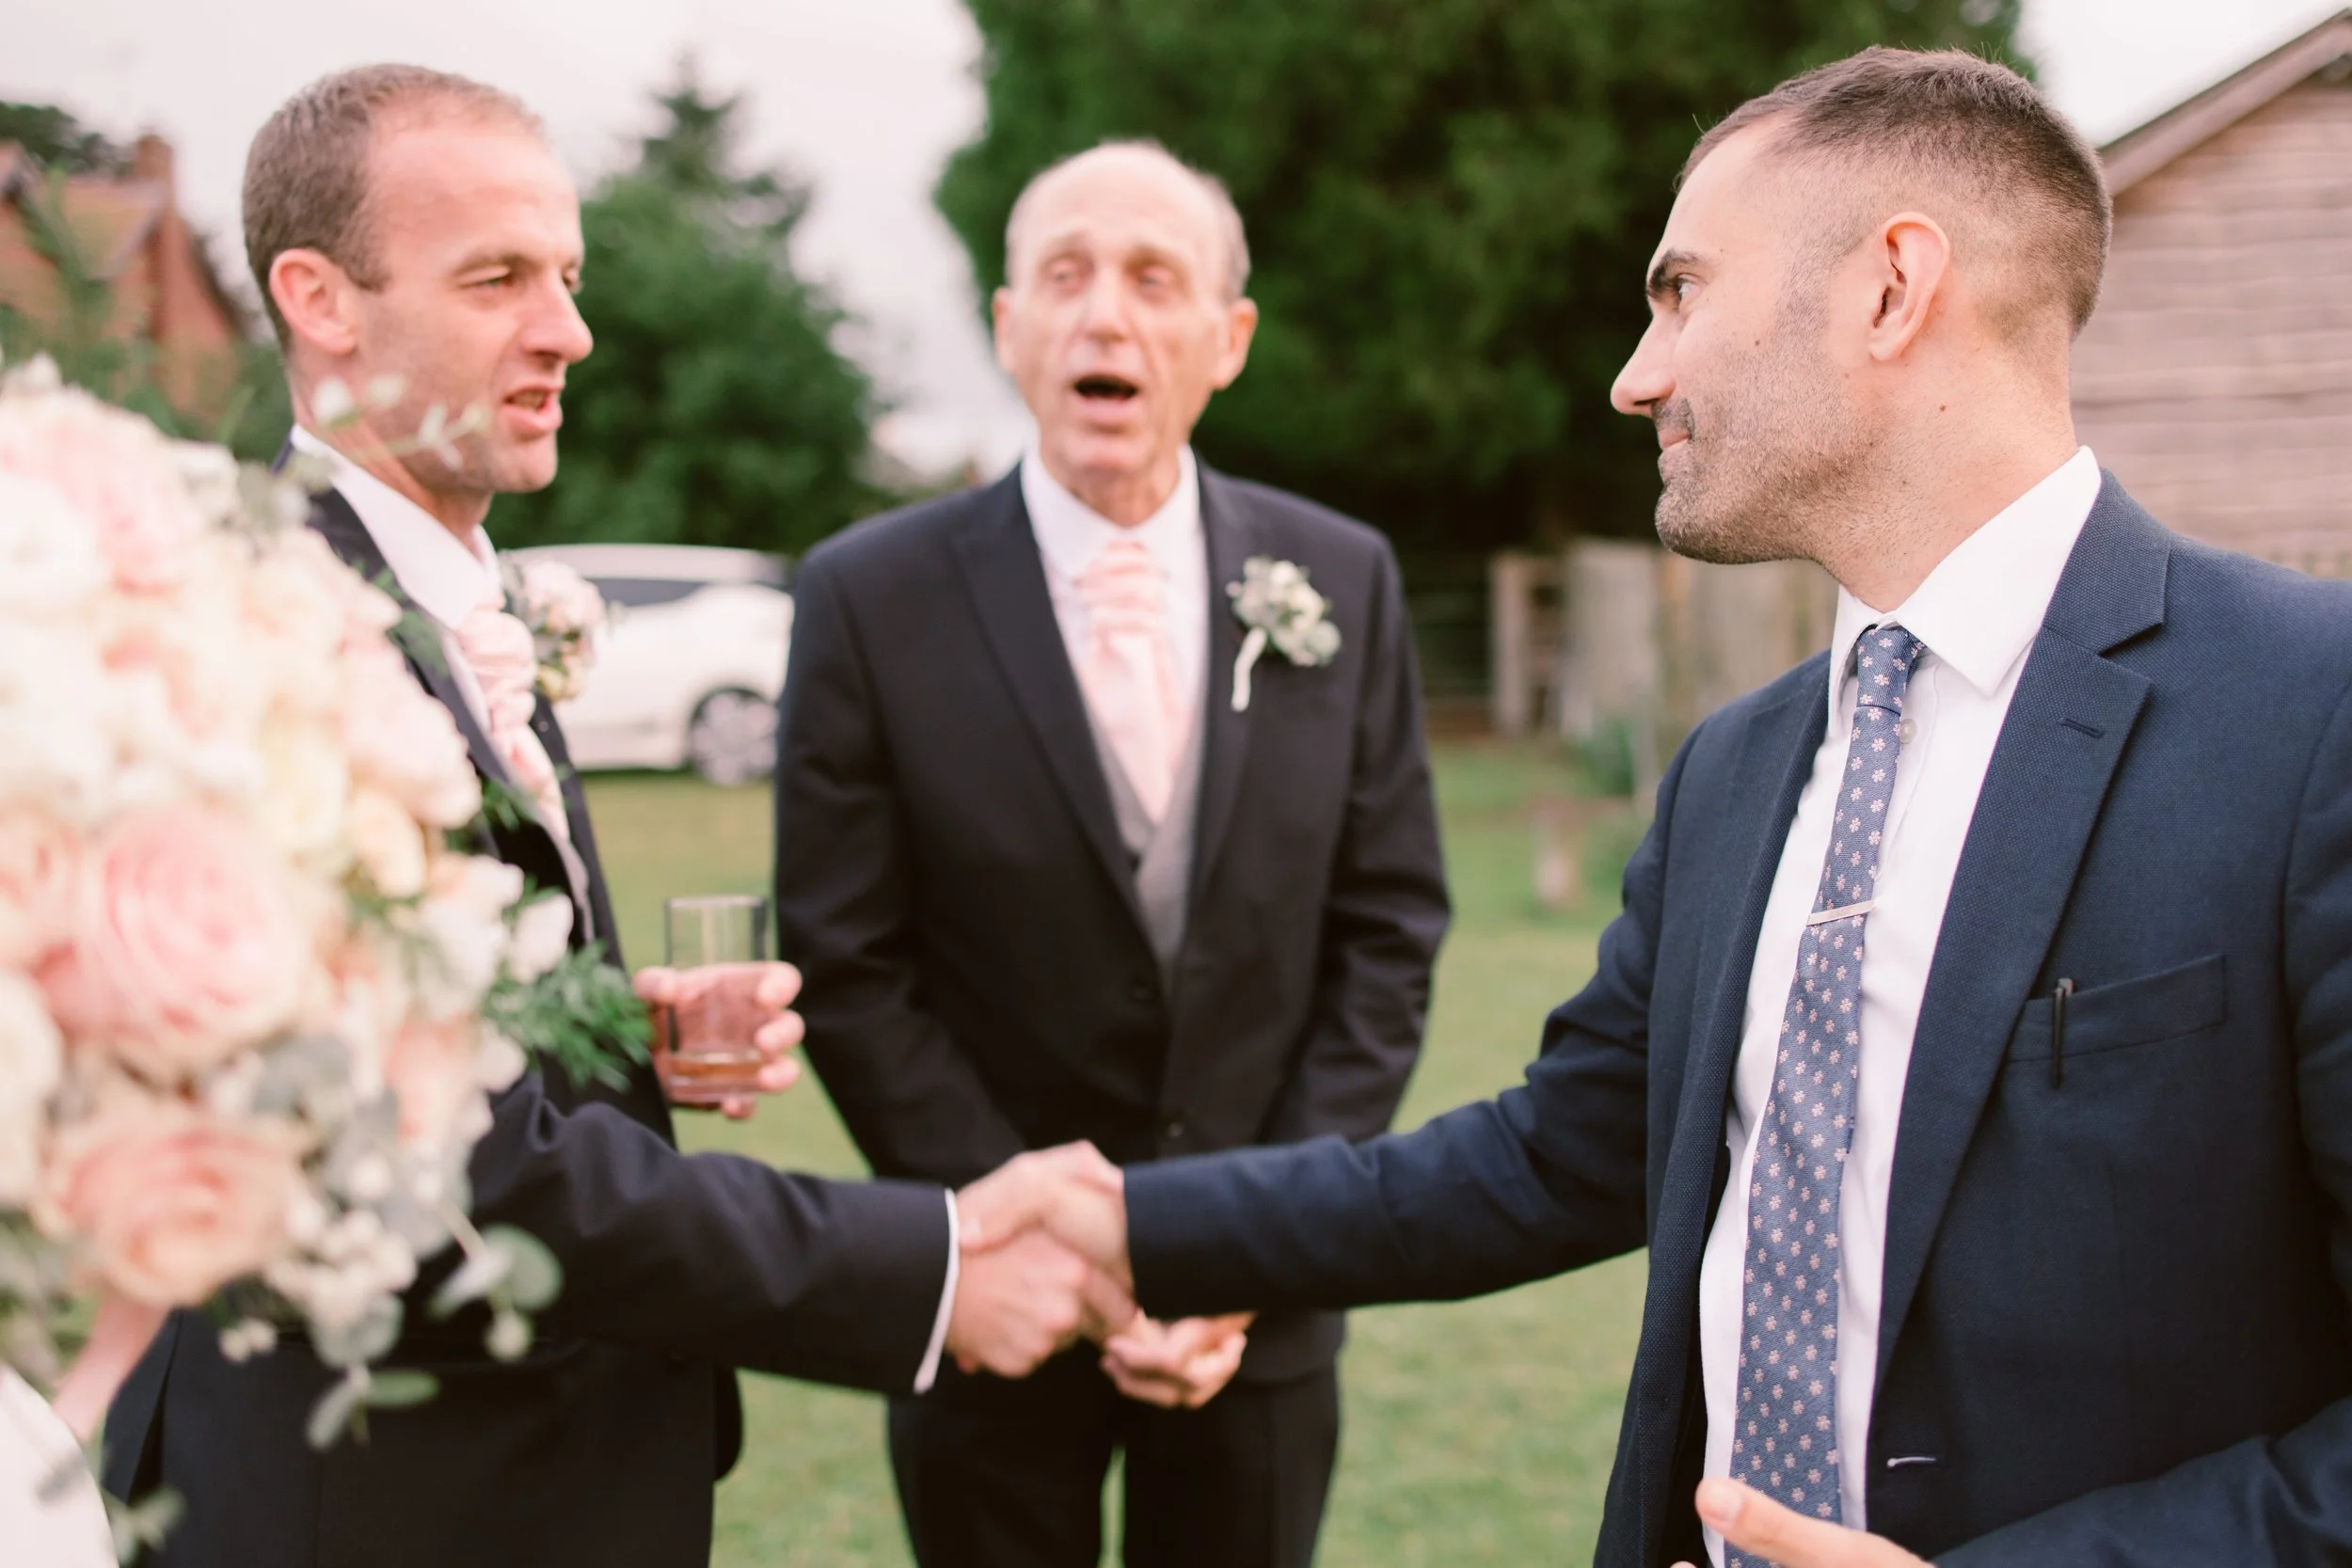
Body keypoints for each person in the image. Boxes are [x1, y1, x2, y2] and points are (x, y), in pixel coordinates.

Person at [961, 46, 2352, 1568]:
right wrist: (1133, 1216)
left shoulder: (2307, 712)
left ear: (1891, 289)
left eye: (1681, 289)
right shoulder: (1737, 769)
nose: (1638, 373)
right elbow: (1545, 1159)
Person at [103, 66, 1128, 1568]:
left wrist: (596, 1027)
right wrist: (938, 1258)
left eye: (568, 277)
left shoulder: (450, 599)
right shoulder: (270, 638)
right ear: (320, 300)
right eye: (498, 278)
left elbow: (387, 1034)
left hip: (535, 1470)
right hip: (376, 1496)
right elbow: (460, 1162)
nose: (569, 331)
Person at [773, 140, 1449, 1568]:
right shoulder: (865, 596)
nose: (1105, 316)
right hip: (994, 1303)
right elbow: (846, 956)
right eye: (1064, 275)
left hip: (1254, 1320)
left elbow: (1388, 928)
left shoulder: (1343, 577)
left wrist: (1256, 1242)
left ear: (1229, 339)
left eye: (1154, 279)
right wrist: (1042, 1239)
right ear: (1008, 324)